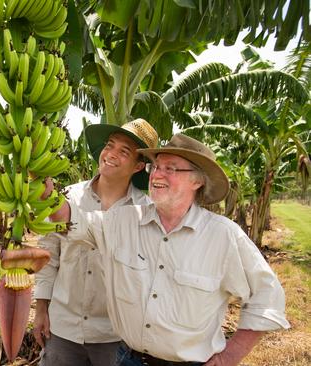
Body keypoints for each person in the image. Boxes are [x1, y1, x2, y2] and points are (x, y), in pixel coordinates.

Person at [49, 134, 289, 365]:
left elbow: (267, 297)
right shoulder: (122, 220)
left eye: (171, 168)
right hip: (127, 359)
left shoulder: (223, 236)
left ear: (197, 181)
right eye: (156, 167)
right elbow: (70, 220)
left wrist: (228, 358)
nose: (157, 174)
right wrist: (43, 187)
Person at [33, 118, 159, 365]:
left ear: (137, 166)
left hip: (113, 334)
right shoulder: (69, 197)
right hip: (63, 327)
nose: (111, 154)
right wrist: (40, 310)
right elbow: (48, 255)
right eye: (109, 145)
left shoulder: (146, 213)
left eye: (124, 152)